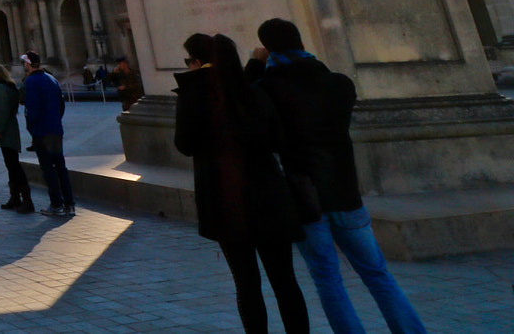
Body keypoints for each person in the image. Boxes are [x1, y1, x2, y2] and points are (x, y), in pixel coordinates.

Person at [248, 18, 427, 334]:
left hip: (305, 198)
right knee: (377, 273)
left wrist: (255, 65)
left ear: (268, 49)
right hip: (345, 193)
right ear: (302, 42)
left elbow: (247, 112)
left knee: (327, 279)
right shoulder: (340, 84)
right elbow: (319, 82)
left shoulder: (267, 89)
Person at [175, 33, 309, 334]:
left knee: (246, 283)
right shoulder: (255, 93)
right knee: (285, 280)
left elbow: (184, 144)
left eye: (189, 62)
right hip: (268, 195)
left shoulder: (194, 97)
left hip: (226, 201)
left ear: (198, 63)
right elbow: (277, 138)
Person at [20, 52, 74, 216]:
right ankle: (69, 203)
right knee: (60, 167)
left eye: (25, 63)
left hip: (41, 132)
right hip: (56, 130)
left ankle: (56, 203)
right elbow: (61, 105)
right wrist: (55, 121)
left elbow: (31, 109)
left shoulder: (31, 82)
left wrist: (32, 127)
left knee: (48, 169)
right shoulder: (52, 79)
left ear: (28, 64)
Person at [0, 62, 33, 213]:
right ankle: (15, 198)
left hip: (6, 131)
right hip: (10, 129)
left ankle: (27, 200)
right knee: (11, 165)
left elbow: (1, 111)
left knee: (14, 167)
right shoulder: (8, 87)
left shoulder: (0, 89)